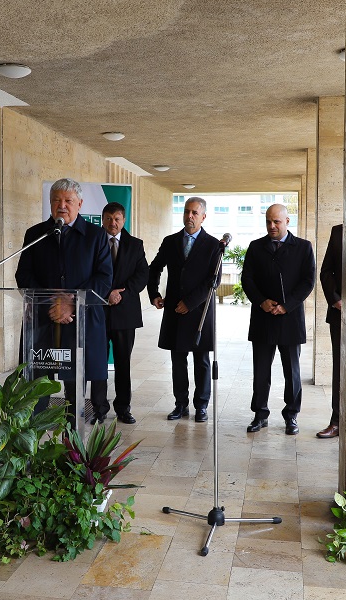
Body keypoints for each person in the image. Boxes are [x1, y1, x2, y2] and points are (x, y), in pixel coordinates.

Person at [15, 178, 113, 423]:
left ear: (80, 203)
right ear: (50, 203)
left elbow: (104, 278)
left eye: (68, 200)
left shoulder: (96, 235)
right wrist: (52, 301)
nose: (62, 205)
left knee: (74, 385)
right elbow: (23, 275)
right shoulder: (35, 234)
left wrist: (71, 303)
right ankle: (34, 434)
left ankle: (72, 438)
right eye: (56, 200)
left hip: (81, 322)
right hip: (42, 322)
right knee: (38, 385)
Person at [240, 204, 315, 435]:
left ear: (287, 221)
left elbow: (308, 281)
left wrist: (286, 305)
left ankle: (291, 415)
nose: (272, 226)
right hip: (263, 317)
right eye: (268, 222)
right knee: (261, 371)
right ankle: (260, 414)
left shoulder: (303, 247)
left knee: (292, 372)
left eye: (276, 222)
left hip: (290, 318)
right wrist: (261, 301)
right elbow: (247, 279)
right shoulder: (255, 247)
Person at [148, 196, 222, 422]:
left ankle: (201, 406)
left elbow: (214, 280)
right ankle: (180, 404)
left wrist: (189, 303)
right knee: (178, 361)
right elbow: (155, 267)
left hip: (199, 312)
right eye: (187, 211)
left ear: (203, 217)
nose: (189, 216)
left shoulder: (213, 245)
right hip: (174, 312)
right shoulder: (170, 241)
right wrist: (154, 294)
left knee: (202, 361)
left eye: (194, 213)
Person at [90, 202, 149, 424]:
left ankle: (123, 408)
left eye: (117, 219)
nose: (112, 223)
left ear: (124, 220)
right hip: (98, 311)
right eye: (108, 218)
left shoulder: (135, 245)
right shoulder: (92, 241)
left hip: (125, 313)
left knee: (123, 362)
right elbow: (87, 272)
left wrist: (121, 293)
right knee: (98, 361)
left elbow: (142, 274)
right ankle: (99, 408)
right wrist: (106, 293)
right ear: (102, 219)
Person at [317, 223, 343, 438]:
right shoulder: (338, 231)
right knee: (339, 368)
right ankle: (336, 421)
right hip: (340, 313)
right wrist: (335, 300)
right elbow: (326, 271)